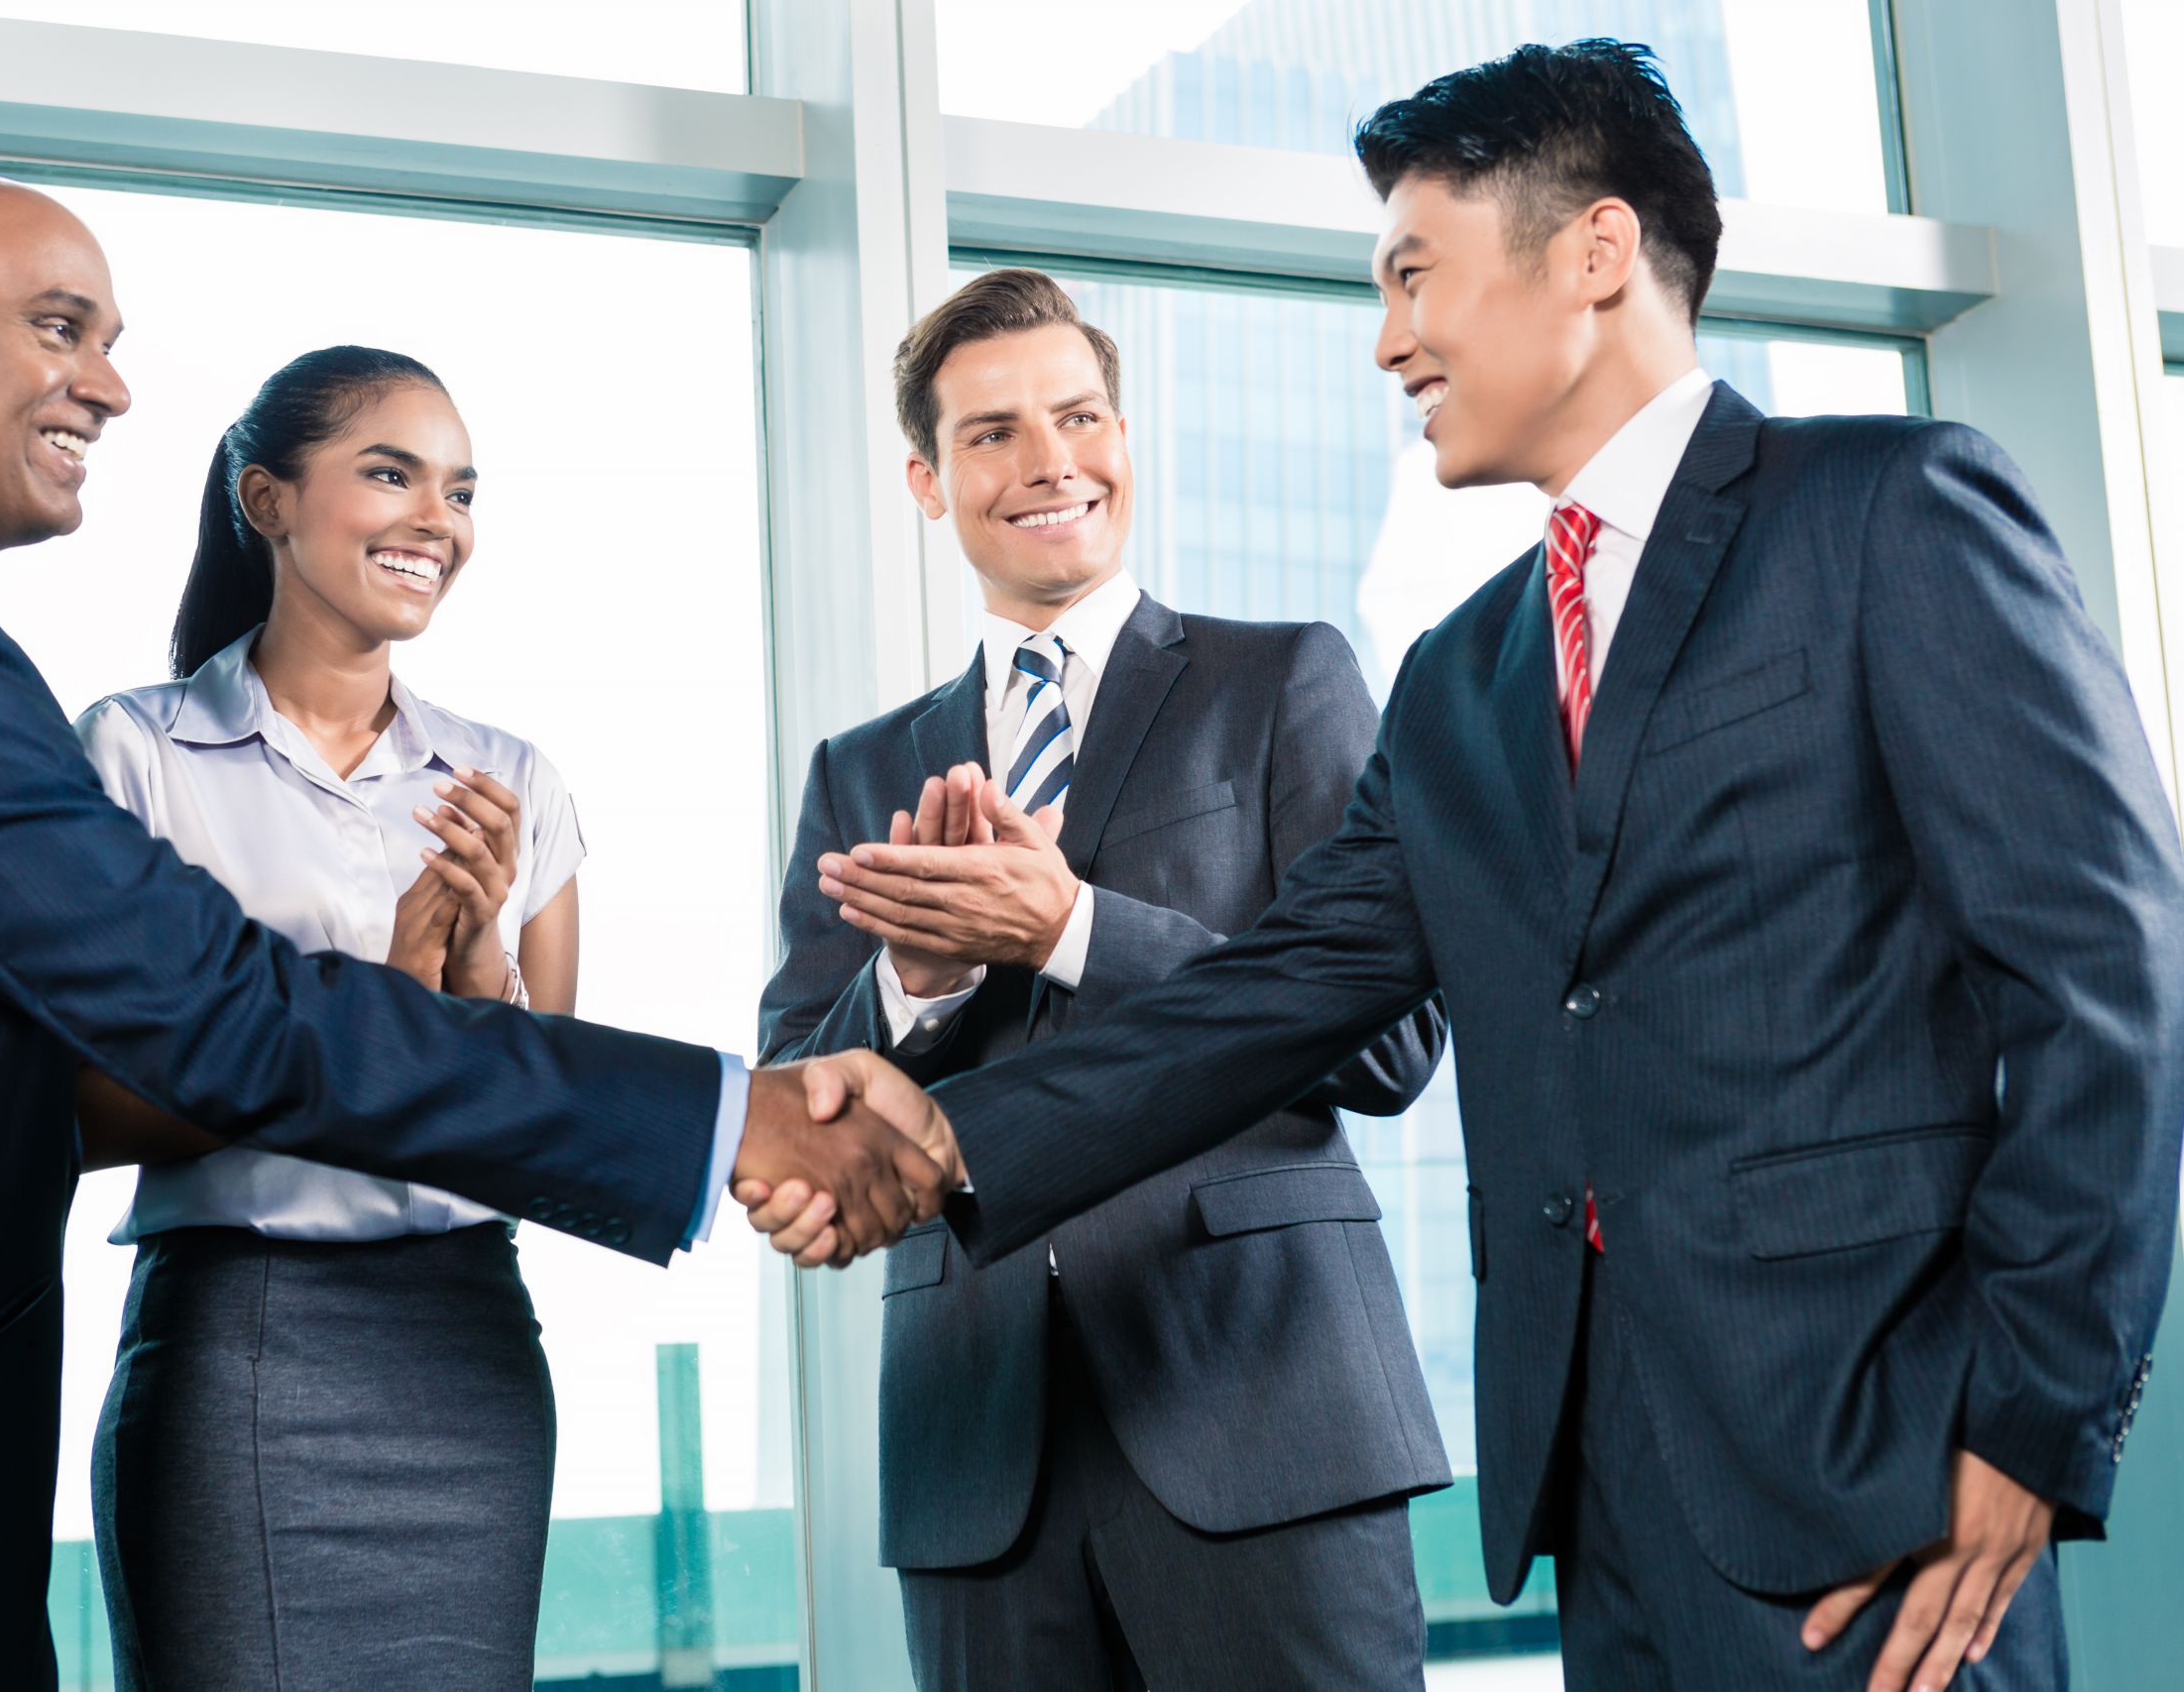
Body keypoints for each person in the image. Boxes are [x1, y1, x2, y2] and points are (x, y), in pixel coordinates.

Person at [768, 41, 2184, 1692]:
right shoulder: (1463, 676)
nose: (1388, 342)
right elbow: (1280, 998)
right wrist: (941, 1133)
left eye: (1412, 276)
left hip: (1884, 1471)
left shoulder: (1894, 513)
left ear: (1590, 255)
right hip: (1604, 1498)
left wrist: (2031, 1422)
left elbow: (2111, 978)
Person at [0, 168, 945, 1690]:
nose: (115, 386)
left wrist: (480, 999)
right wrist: (732, 1116)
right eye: (62, 329)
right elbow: (212, 1014)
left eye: (114, 338)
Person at [752, 270, 1449, 1690]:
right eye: (995, 432)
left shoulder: (1285, 684)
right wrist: (920, 980)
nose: (1052, 461)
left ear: (1125, 437)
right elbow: (795, 1098)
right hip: (977, 1443)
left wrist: (1073, 926)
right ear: (928, 480)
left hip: (1263, 1408)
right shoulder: (864, 770)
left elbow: (1393, 1042)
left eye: (1080, 416)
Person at [67, 347, 593, 1687]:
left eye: (460, 489)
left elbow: (547, 1139)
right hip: (243, 1345)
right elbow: (81, 1103)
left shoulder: (512, 784)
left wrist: (478, 979)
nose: (439, 519)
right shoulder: (134, 755)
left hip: (467, 1346)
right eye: (389, 473)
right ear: (268, 500)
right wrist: (389, 988)